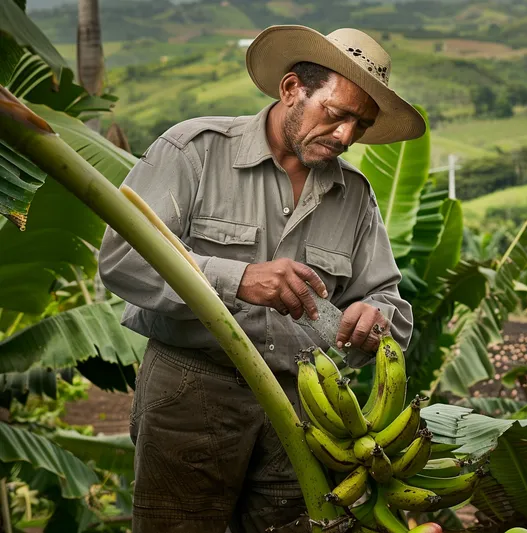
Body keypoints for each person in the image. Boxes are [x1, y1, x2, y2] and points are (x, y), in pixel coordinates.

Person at [98, 24, 426, 533]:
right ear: (292, 88)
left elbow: (385, 297)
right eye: (336, 115)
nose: (345, 137)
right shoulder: (195, 151)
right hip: (193, 386)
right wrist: (238, 278)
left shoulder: (355, 195)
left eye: (359, 126)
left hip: (306, 405)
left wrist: (375, 318)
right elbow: (122, 259)